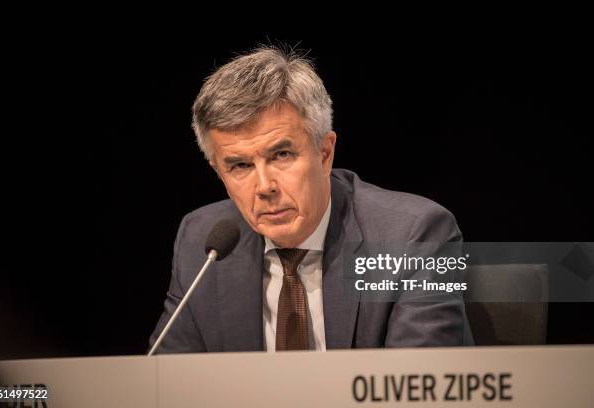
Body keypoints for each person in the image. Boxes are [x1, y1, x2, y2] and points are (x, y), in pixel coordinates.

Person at [149, 46, 472, 353]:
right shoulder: (202, 244)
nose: (264, 186)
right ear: (218, 170)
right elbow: (166, 384)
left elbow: (415, 387)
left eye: (282, 155)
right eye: (240, 165)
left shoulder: (412, 235)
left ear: (324, 153)